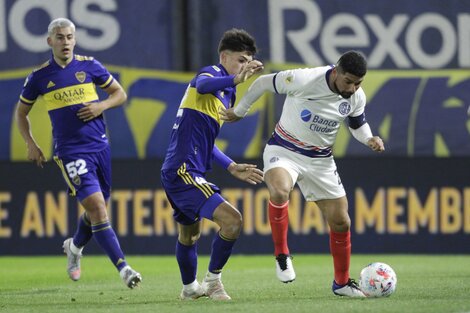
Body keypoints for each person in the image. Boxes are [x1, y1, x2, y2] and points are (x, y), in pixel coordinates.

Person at [220, 50, 385, 297]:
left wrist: (369, 138)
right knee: (279, 190)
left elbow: (357, 123)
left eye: (358, 83)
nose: (352, 88)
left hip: (321, 160)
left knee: (342, 221)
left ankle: (341, 283)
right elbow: (264, 82)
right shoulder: (306, 79)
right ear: (336, 72)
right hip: (284, 149)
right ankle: (282, 254)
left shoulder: (355, 96)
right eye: (348, 81)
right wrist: (241, 110)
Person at [15, 18, 142, 289]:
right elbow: (21, 112)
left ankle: (74, 246)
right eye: (60, 37)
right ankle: (124, 269)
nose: (66, 42)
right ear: (50, 42)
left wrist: (101, 106)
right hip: (71, 151)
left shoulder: (90, 66)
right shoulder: (40, 76)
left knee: (97, 210)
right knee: (97, 207)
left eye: (70, 37)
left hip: (100, 147)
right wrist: (30, 143)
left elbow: (120, 94)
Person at [161, 28, 264, 301]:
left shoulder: (227, 94)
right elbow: (203, 84)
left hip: (181, 169)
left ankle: (189, 288)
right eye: (241, 60)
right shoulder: (211, 74)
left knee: (189, 235)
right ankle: (214, 282)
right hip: (183, 170)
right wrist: (234, 77)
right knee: (233, 221)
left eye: (249, 61)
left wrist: (231, 166)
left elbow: (207, 142)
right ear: (224, 56)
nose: (245, 67)